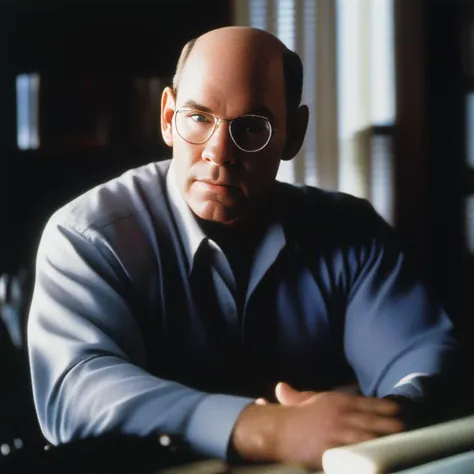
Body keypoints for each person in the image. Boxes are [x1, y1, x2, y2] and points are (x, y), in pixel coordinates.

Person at [27, 26, 461, 469]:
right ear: (167, 119)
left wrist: (377, 420)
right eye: (197, 118)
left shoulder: (352, 233)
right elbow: (73, 392)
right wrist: (266, 428)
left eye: (252, 127)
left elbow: (428, 364)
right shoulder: (87, 236)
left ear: (293, 133)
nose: (219, 152)